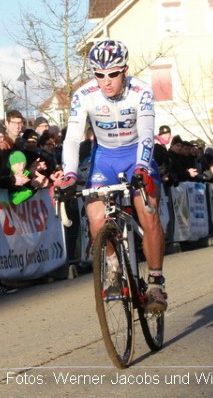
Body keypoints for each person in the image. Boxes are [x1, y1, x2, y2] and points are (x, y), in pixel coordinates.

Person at [56, 40, 167, 312]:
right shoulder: (84, 95)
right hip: (103, 158)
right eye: (99, 74)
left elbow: (147, 133)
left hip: (136, 154)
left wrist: (142, 166)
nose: (106, 82)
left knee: (148, 213)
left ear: (125, 70)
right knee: (95, 216)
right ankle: (114, 269)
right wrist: (70, 174)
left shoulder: (141, 91)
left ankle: (155, 282)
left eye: (113, 74)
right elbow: (72, 138)